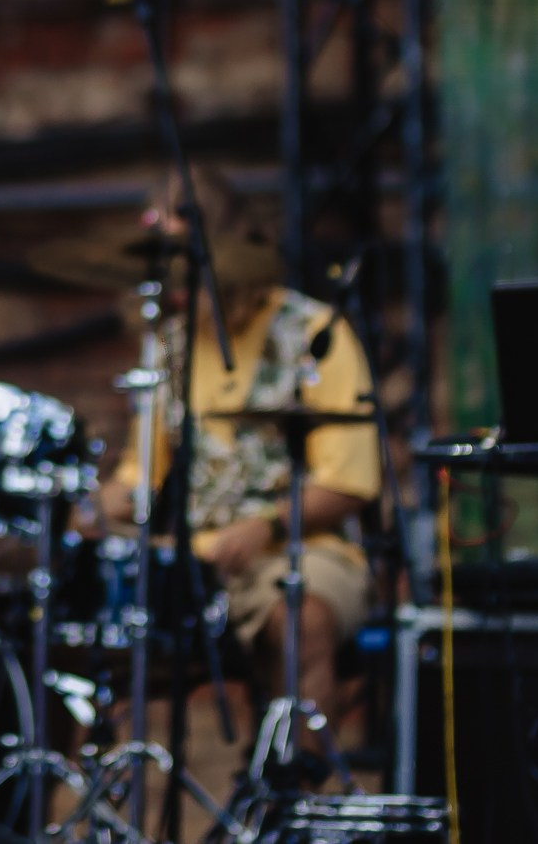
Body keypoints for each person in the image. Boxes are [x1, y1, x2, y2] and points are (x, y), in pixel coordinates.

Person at [104, 171, 381, 716]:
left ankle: (292, 793)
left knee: (302, 619)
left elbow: (350, 482)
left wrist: (266, 525)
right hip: (192, 561)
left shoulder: (311, 333)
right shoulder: (169, 346)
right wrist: (71, 510)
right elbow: (139, 479)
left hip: (297, 548)